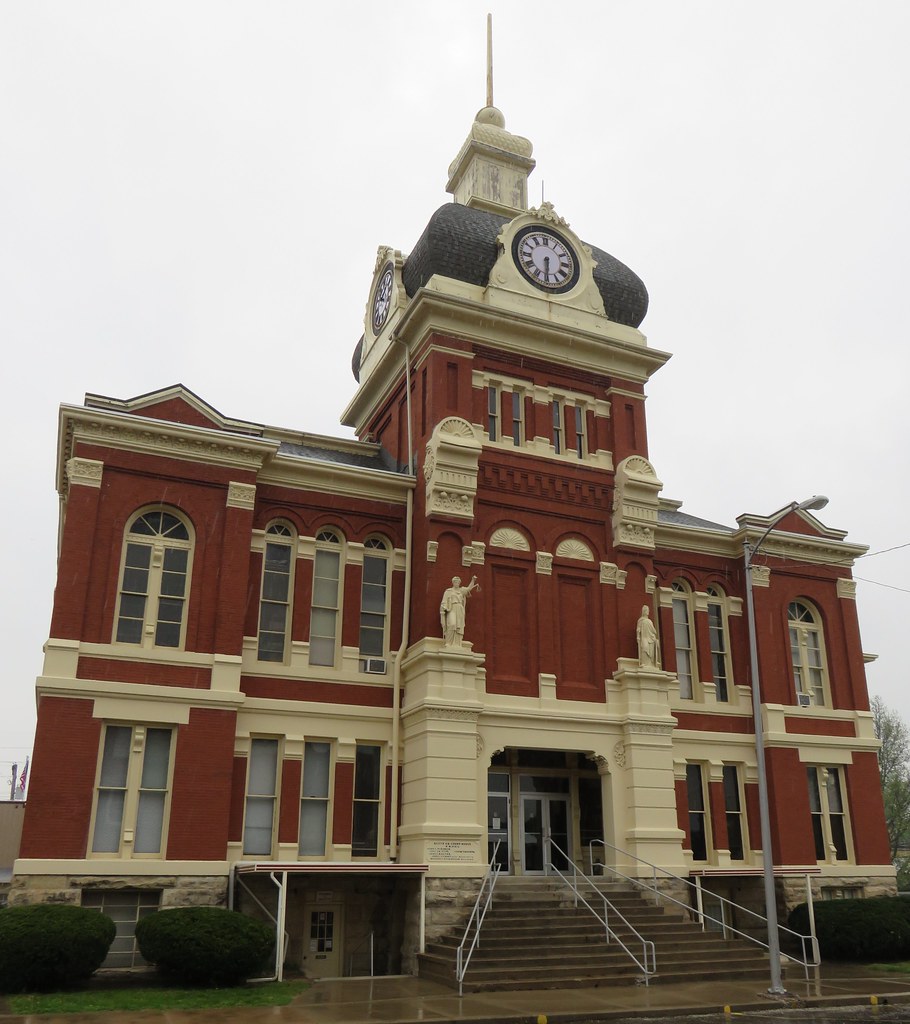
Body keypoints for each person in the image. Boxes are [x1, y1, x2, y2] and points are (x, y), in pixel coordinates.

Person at [440, 575, 478, 647]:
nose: (456, 583)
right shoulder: (448, 591)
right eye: (455, 582)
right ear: (453, 583)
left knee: (459, 626)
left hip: (460, 609)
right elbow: (444, 601)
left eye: (458, 582)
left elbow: (469, 588)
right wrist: (443, 608)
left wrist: (473, 580)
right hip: (452, 608)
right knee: (452, 624)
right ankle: (449, 642)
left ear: (459, 583)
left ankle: (457, 643)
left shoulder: (461, 590)